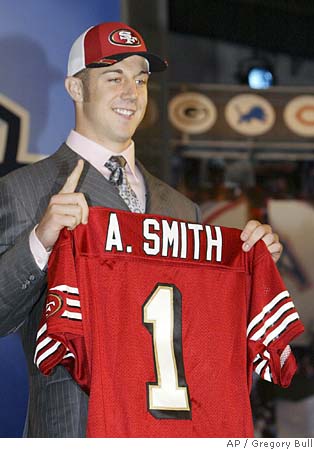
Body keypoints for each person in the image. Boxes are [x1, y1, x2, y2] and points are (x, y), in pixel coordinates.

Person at [0, 22, 282, 437]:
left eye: (141, 80)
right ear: (75, 89)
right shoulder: (25, 191)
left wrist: (248, 280)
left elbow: (200, 345)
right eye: (114, 78)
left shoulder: (182, 208)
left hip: (169, 432)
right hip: (76, 431)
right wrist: (40, 241)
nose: (131, 93)